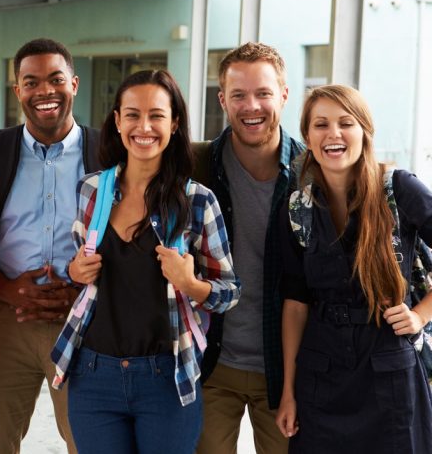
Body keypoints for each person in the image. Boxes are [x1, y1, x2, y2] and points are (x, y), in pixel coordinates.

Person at [52, 69, 240, 453]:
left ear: (174, 124)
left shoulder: (198, 201)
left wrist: (191, 284)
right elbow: (78, 273)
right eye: (133, 114)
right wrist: (74, 271)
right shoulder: (91, 190)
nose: (144, 126)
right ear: (118, 121)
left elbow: (230, 292)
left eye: (156, 115)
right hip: (93, 375)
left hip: (166, 379)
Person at [275, 85, 432, 453]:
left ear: (364, 131)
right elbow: (295, 302)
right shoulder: (296, 208)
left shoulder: (399, 189)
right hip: (321, 374)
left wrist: (421, 315)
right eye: (321, 125)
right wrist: (288, 392)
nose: (334, 134)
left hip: (389, 368)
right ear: (308, 139)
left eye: (346, 123)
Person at [0, 38, 97, 454]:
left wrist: (84, 286)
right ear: (17, 89)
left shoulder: (107, 156)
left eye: (56, 79)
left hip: (86, 318)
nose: (45, 91)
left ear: (73, 84)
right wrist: (4, 285)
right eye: (31, 81)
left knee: (90, 442)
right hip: (9, 319)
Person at [195, 42, 304, 454]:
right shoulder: (196, 165)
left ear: (284, 95)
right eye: (238, 95)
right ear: (222, 99)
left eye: (263, 93)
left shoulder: (312, 176)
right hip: (211, 362)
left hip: (285, 370)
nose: (251, 106)